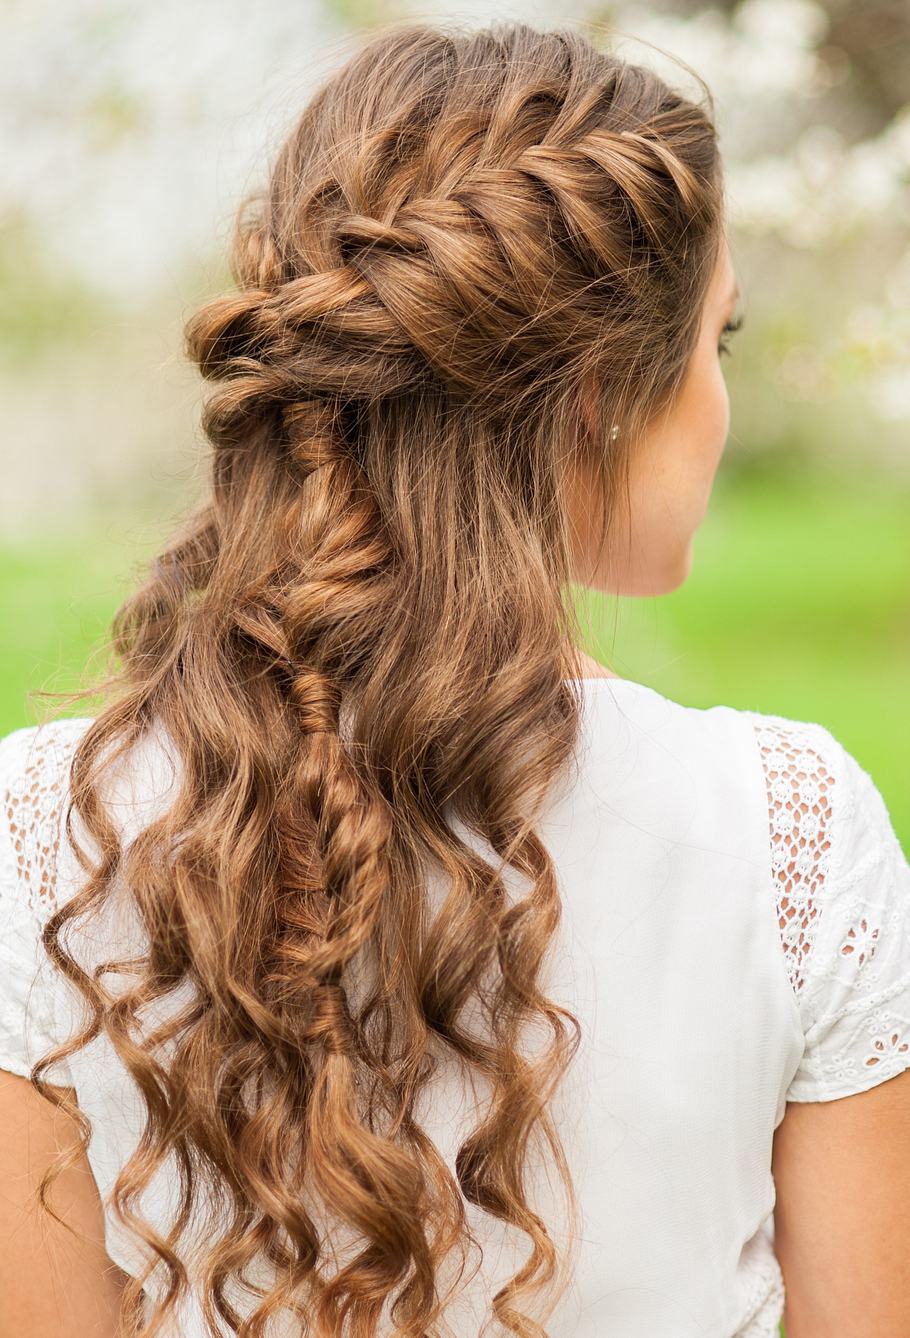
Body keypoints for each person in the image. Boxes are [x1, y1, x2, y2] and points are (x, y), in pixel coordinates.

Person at [0, 19, 907, 1338]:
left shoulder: (47, 835)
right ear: (600, 396)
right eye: (717, 342)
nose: (719, 399)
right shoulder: (792, 833)